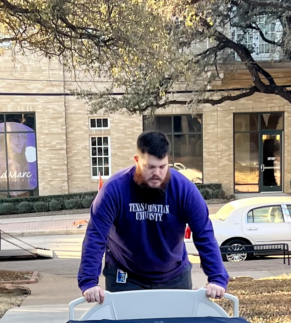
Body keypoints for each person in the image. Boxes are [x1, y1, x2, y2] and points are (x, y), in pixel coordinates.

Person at [78, 130, 229, 303]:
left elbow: (204, 234)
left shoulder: (185, 190)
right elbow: (96, 235)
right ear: (137, 161)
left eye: (162, 166)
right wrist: (89, 282)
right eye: (150, 167)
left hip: (174, 277)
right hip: (125, 276)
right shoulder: (114, 190)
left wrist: (217, 278)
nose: (157, 173)